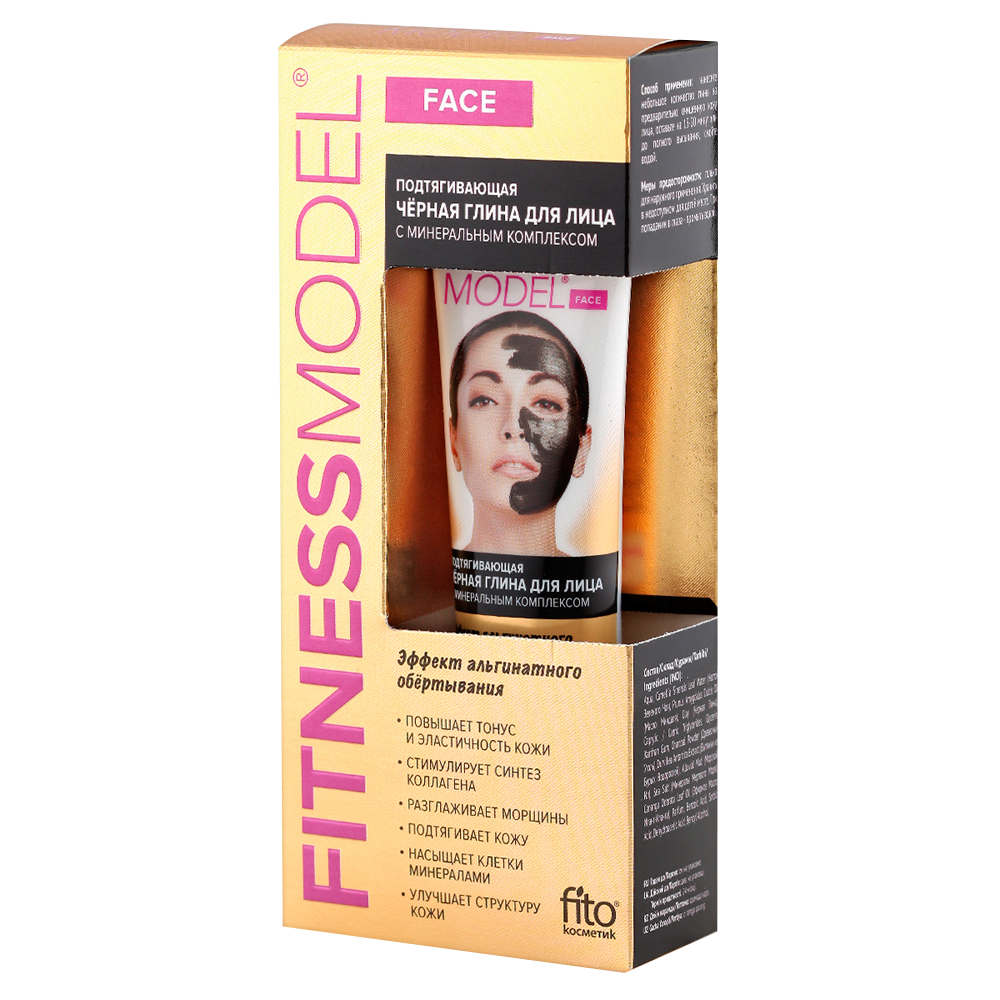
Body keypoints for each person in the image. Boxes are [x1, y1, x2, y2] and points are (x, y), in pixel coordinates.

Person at [448, 311, 591, 557]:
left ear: (581, 449)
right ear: (454, 442)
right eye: (485, 400)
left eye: (545, 403)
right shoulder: (427, 576)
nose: (515, 427)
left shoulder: (598, 581)